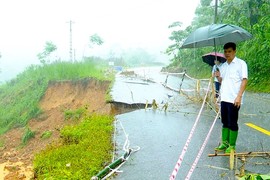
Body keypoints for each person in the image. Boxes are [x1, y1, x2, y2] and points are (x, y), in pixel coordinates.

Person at [214, 42, 248, 154]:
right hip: (224, 98)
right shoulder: (223, 66)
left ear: (234, 51)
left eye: (229, 51)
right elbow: (222, 81)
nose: (227, 54)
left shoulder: (241, 64)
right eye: (225, 51)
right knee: (224, 121)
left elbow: (244, 80)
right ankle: (225, 143)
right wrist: (218, 76)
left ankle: (232, 146)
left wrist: (239, 96)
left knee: (232, 122)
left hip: (234, 99)